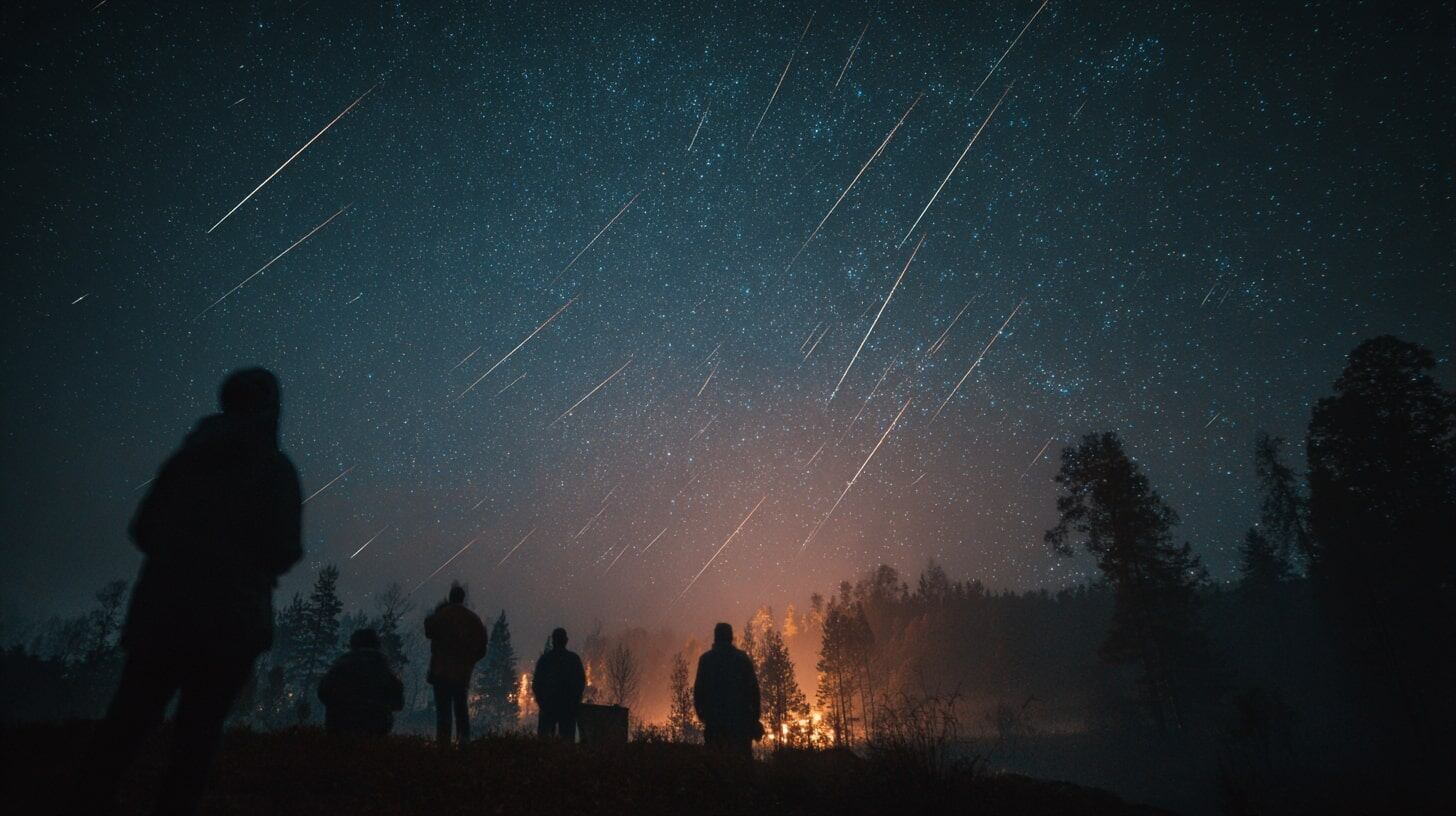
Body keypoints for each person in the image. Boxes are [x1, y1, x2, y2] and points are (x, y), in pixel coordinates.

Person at [78, 367, 303, 815]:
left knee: (130, 718)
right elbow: (284, 547)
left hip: (163, 610)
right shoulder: (274, 468)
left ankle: (88, 800)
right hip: (231, 619)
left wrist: (179, 560)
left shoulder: (187, 459)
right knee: (198, 733)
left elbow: (144, 527)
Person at [424, 582, 487, 747]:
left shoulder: (443, 615)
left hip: (441, 672)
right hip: (462, 673)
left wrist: (439, 610)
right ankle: (463, 742)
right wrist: (469, 661)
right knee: (461, 708)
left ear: (450, 597)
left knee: (443, 711)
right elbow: (482, 647)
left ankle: (443, 745)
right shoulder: (473, 619)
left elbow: (428, 630)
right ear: (463, 598)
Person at [694, 622, 762, 761]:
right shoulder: (742, 659)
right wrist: (754, 719)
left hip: (715, 724)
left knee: (716, 768)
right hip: (740, 726)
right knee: (741, 770)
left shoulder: (706, 660)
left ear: (715, 638)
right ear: (731, 637)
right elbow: (754, 692)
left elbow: (698, 692)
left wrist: (704, 716)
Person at [318, 628, 405, 736]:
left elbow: (323, 692)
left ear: (353, 645)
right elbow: (398, 703)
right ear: (377, 646)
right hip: (375, 732)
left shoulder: (340, 667)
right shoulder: (384, 671)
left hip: (340, 729)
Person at [532, 627, 586, 740]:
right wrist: (575, 702)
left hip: (548, 707)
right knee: (566, 743)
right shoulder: (573, 660)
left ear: (553, 640)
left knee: (544, 742)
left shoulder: (545, 660)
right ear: (566, 640)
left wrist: (542, 703)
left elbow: (537, 684)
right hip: (567, 708)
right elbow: (580, 683)